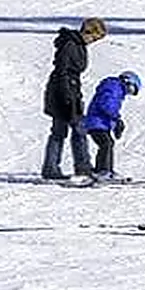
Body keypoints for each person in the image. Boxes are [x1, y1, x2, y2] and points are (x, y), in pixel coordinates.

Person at [41, 16, 106, 181]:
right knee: (62, 131)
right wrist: (66, 97)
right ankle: (53, 169)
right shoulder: (70, 45)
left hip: (71, 90)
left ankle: (81, 167)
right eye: (94, 37)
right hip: (60, 93)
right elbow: (62, 71)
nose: (94, 41)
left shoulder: (79, 44)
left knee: (76, 130)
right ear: (88, 31)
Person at [82, 71, 141, 182]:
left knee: (107, 143)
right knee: (106, 144)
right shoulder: (114, 86)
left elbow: (109, 107)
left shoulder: (116, 89)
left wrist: (115, 125)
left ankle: (105, 170)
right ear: (127, 81)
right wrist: (117, 118)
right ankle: (103, 171)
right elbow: (106, 104)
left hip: (101, 123)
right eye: (131, 90)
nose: (129, 93)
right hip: (96, 122)